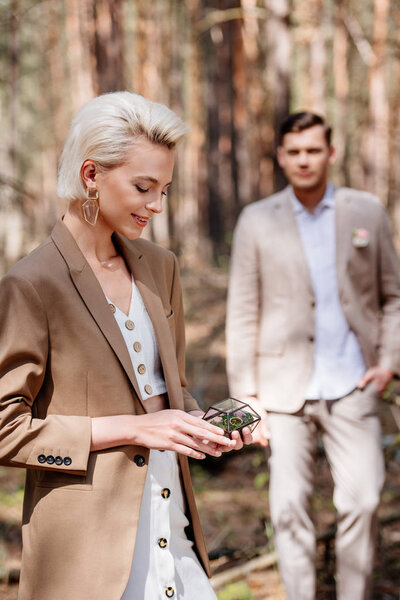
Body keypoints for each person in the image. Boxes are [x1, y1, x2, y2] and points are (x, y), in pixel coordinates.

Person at [0, 91, 253, 600]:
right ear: (91, 175)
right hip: (86, 552)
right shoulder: (31, 284)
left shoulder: (162, 266)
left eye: (165, 189)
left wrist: (207, 426)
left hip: (174, 521)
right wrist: (135, 428)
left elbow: (171, 389)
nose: (157, 205)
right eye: (143, 187)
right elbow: (6, 431)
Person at [226, 111, 400, 600]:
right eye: (294, 151)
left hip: (354, 385)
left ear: (331, 152)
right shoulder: (256, 220)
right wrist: (247, 398)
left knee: (363, 501)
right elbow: (242, 311)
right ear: (281, 157)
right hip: (281, 393)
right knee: (288, 509)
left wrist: (387, 362)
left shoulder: (367, 211)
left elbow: (393, 297)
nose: (304, 160)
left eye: (313, 150)